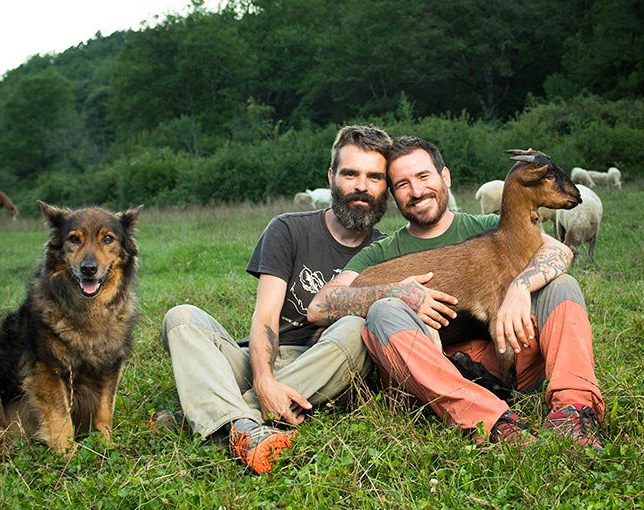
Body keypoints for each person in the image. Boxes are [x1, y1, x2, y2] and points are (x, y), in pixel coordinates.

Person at [307, 136, 605, 448]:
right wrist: (397, 291)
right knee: (384, 311)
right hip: (429, 377)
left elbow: (560, 253)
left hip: (502, 360)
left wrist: (519, 287)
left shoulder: (496, 226)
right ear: (394, 194)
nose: (417, 191)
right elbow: (320, 307)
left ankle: (574, 412)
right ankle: (494, 423)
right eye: (403, 184)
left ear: (444, 176)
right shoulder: (381, 252)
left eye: (423, 177)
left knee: (562, 284)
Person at [155, 125, 392, 474]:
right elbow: (266, 316)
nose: (361, 186)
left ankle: (222, 418)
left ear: (386, 186)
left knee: (357, 329)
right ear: (331, 176)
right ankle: (245, 423)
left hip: (324, 365)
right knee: (181, 317)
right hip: (262, 358)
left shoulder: (387, 250)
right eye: (350, 174)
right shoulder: (288, 228)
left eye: (374, 177)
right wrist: (264, 379)